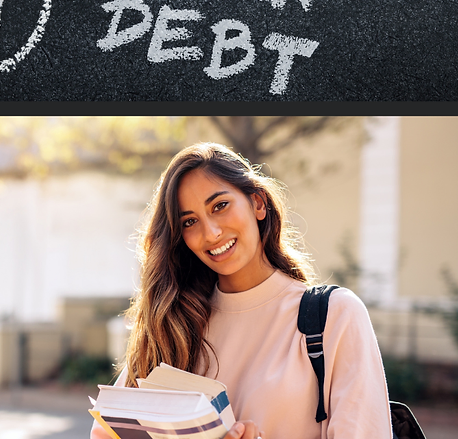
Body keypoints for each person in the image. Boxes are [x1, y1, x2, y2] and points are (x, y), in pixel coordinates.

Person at [91, 142, 392, 439]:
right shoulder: (173, 324)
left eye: (220, 206)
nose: (211, 233)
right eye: (190, 221)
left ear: (258, 203)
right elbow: (104, 433)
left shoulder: (333, 316)